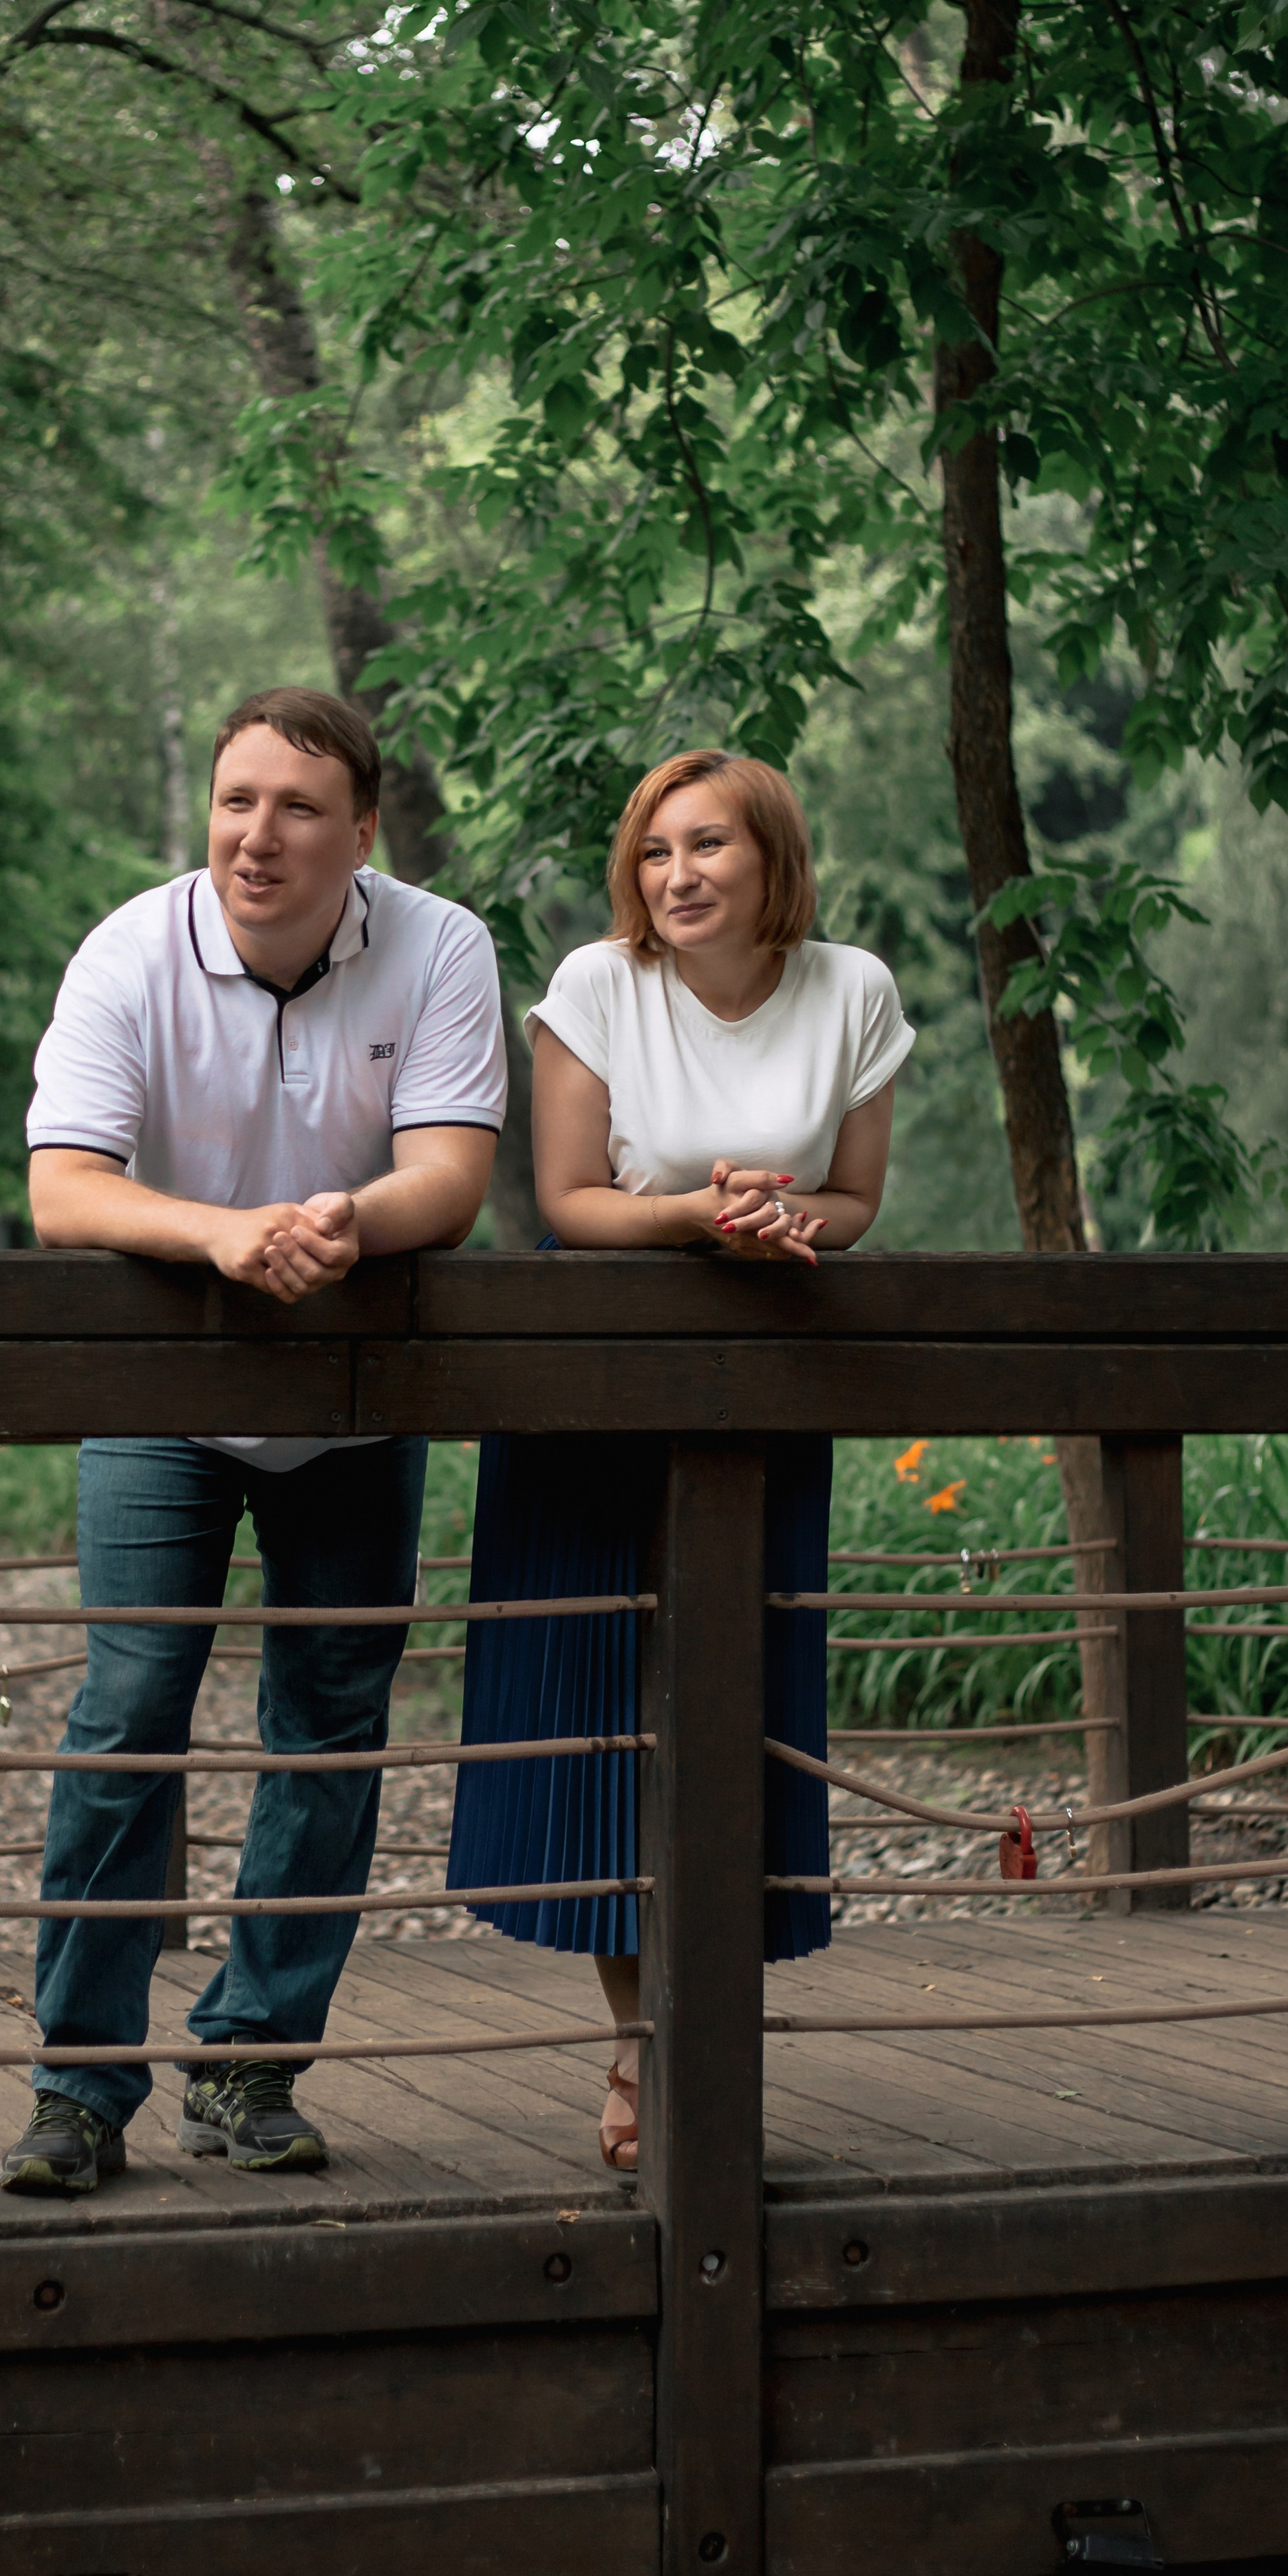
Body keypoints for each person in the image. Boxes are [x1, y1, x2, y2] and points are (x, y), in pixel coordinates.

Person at [0, 685, 506, 2195]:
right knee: (126, 1711)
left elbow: (452, 1176)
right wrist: (221, 1236)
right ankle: (78, 2090)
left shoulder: (443, 946)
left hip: (352, 1398)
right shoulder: (127, 952)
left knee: (331, 1725)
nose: (257, 836)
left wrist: (348, 1219)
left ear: (364, 830)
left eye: (296, 807)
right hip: (164, 1396)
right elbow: (63, 1190)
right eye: (236, 802)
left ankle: (249, 2065)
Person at [444, 748, 913, 2172]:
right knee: (599, 1711)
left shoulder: (854, 990)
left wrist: (790, 1226)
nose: (677, 875)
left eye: (707, 845)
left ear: (773, 857)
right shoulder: (596, 984)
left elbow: (855, 1198)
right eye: (654, 852)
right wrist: (696, 1221)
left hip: (765, 1376)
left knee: (743, 1697)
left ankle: (710, 2034)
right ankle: (640, 2041)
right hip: (598, 1372)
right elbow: (570, 1200)